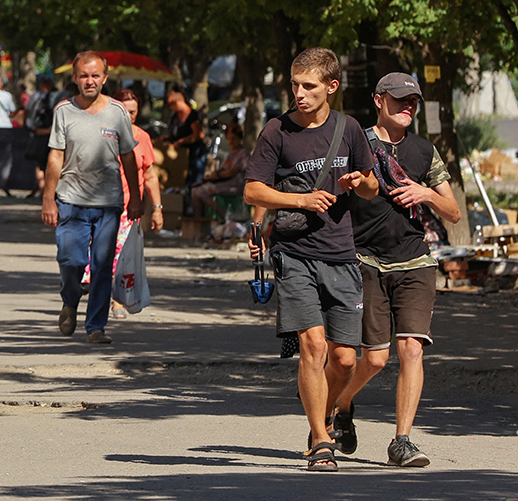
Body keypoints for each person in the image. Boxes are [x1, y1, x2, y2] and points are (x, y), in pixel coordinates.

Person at [244, 47, 378, 471]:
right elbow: (253, 190)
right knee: (313, 346)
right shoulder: (277, 131)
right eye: (295, 85)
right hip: (295, 252)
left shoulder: (349, 128)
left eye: (309, 86)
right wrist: (299, 199)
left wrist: (361, 181)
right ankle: (321, 440)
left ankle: (327, 410)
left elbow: (373, 187)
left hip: (340, 253)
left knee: (344, 359)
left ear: (331, 88)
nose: (299, 94)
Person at [330, 72, 461, 467]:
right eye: (399, 99)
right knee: (373, 359)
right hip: (365, 259)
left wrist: (426, 194)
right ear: (378, 100)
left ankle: (401, 440)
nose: (407, 107)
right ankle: (343, 401)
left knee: (412, 349)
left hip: (416, 260)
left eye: (413, 102)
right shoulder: (355, 142)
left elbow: (453, 212)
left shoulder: (424, 151)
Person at [42, 51, 143, 345]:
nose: (90, 81)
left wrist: (135, 198)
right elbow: (55, 157)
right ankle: (70, 300)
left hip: (109, 203)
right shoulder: (64, 111)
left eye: (95, 75)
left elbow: (128, 157)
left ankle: (96, 326)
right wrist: (48, 198)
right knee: (71, 259)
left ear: (105, 78)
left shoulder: (117, 112)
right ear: (75, 78)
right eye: (84, 75)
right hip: (71, 200)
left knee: (101, 265)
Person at [86, 88, 164, 318]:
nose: (129, 115)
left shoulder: (142, 137)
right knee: (98, 255)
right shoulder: (100, 132)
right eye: (125, 110)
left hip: (129, 209)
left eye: (133, 111)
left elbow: (150, 175)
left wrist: (157, 209)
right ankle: (94, 295)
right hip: (100, 204)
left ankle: (118, 301)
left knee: (120, 257)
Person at [191, 122, 250, 217]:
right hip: (224, 184)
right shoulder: (230, 155)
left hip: (236, 186)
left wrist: (217, 175)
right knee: (195, 189)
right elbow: (221, 170)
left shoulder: (243, 154)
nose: (231, 142)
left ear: (240, 139)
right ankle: (199, 219)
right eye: (229, 139)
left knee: (201, 192)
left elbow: (231, 172)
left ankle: (224, 216)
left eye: (233, 139)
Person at [160, 85, 207, 198]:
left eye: (172, 104)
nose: (171, 107)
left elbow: (198, 135)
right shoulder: (175, 117)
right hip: (180, 156)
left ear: (180, 101)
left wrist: (182, 141)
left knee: (194, 181)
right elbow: (173, 133)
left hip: (195, 154)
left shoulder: (192, 115)